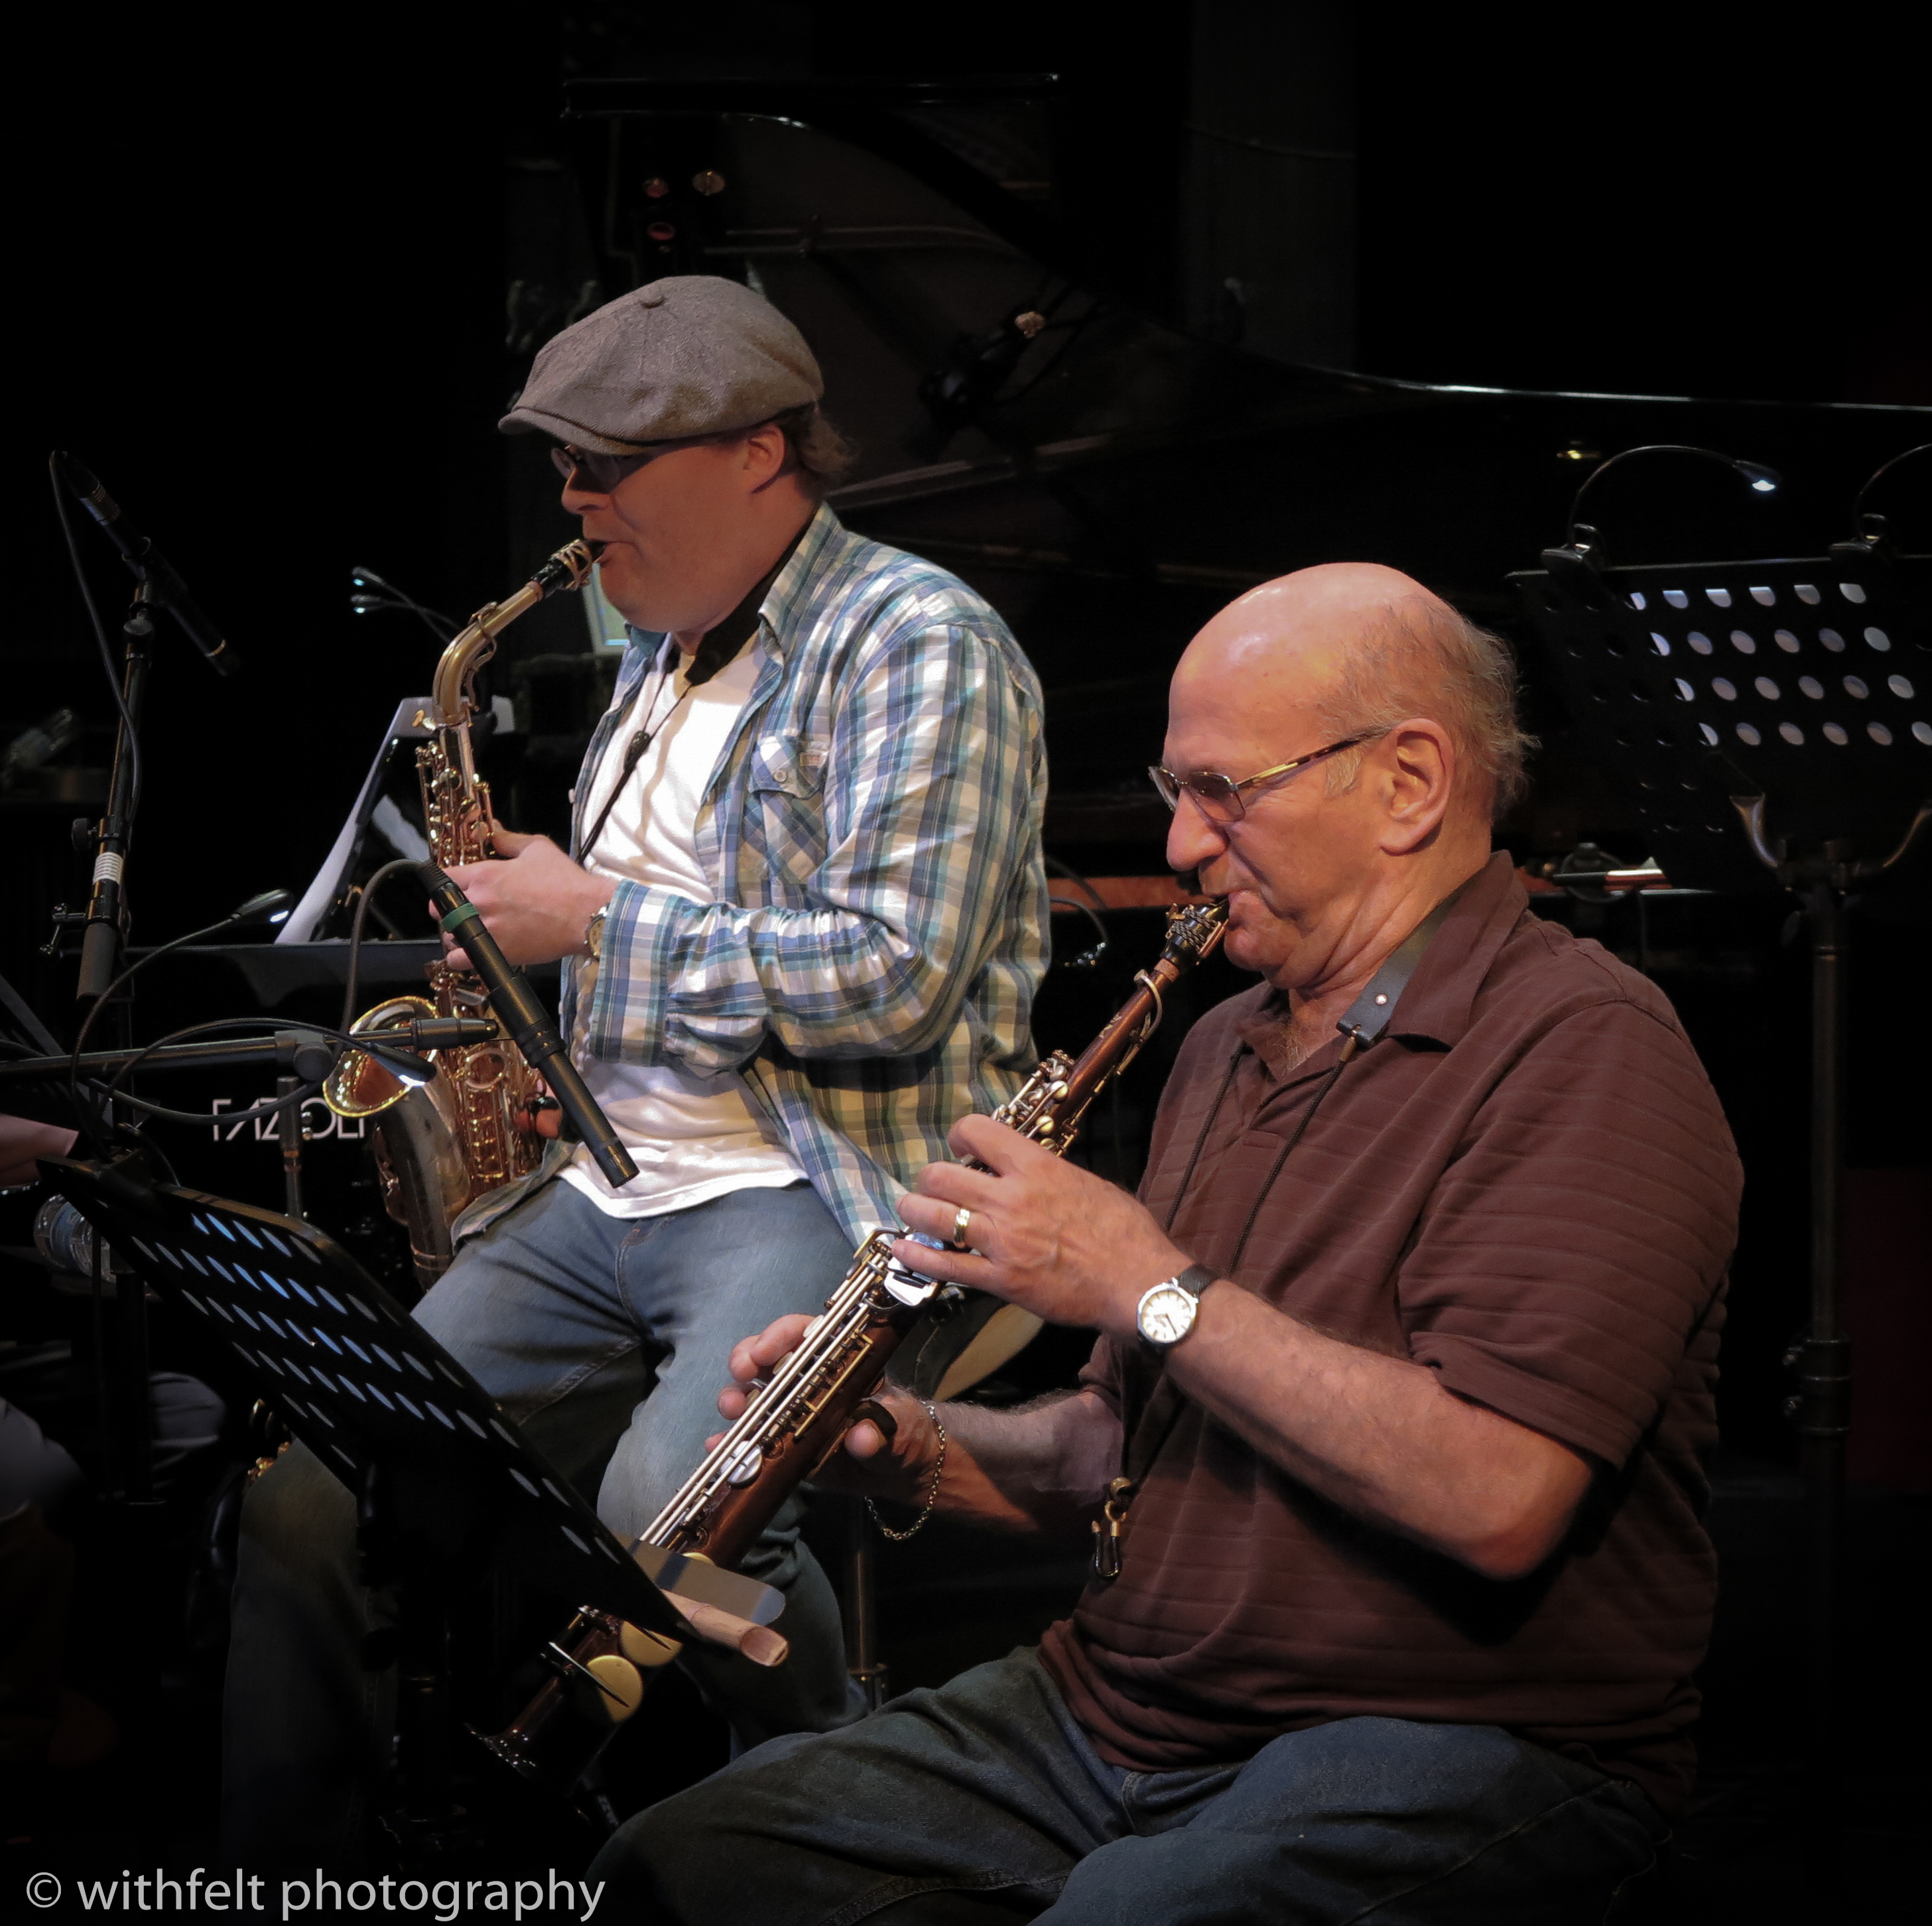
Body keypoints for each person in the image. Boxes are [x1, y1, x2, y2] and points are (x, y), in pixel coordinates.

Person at [595, 564, 1742, 1923]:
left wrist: (1144, 1278)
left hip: (1458, 1734)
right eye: (1174, 794)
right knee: (671, 1868)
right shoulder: (1221, 1043)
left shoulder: (1584, 1046)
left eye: (1225, 793)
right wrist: (915, 1445)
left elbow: (1500, 1499)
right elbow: (1115, 1451)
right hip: (1118, 1716)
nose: (1187, 846)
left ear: (1411, 782)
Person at [224, 277, 1049, 1869]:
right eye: (563, 465)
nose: (575, 497)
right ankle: (286, 1875)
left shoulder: (917, 639)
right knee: (312, 1481)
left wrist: (593, 914)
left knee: (670, 1521)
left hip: (816, 1184)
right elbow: (665, 933)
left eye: (608, 462)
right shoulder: (651, 655)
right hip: (602, 1183)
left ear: (758, 453)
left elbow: (891, 976)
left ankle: (866, 1825)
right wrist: (530, 1003)